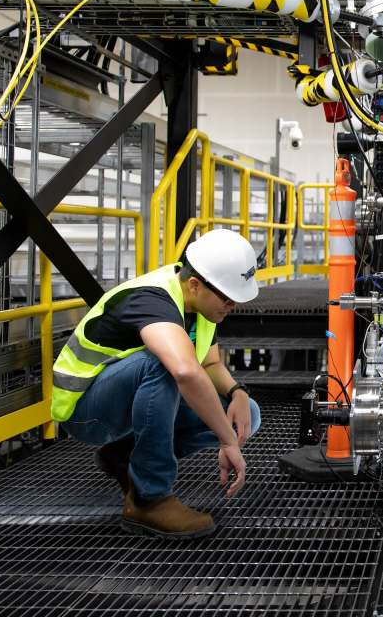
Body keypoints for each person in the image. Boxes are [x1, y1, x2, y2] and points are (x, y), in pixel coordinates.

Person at [49, 229, 262, 539]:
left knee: (247, 415)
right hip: (86, 411)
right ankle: (149, 498)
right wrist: (227, 441)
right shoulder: (153, 299)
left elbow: (210, 364)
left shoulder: (199, 306)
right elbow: (186, 371)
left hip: (122, 404)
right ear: (195, 284)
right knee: (163, 366)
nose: (233, 305)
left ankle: (124, 455)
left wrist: (237, 392)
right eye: (228, 297)